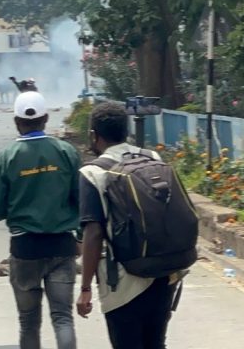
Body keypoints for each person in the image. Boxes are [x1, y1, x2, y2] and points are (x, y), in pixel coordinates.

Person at [77, 102, 183, 349]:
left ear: (94, 135)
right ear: (126, 131)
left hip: (123, 281)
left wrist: (85, 288)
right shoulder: (152, 158)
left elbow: (93, 234)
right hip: (163, 273)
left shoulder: (92, 173)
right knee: (155, 343)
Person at [0, 91, 81, 349]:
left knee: (28, 322)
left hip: (25, 249)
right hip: (62, 246)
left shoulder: (6, 157)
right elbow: (82, 202)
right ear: (46, 119)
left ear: (17, 121)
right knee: (63, 318)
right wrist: (80, 238)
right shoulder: (66, 152)